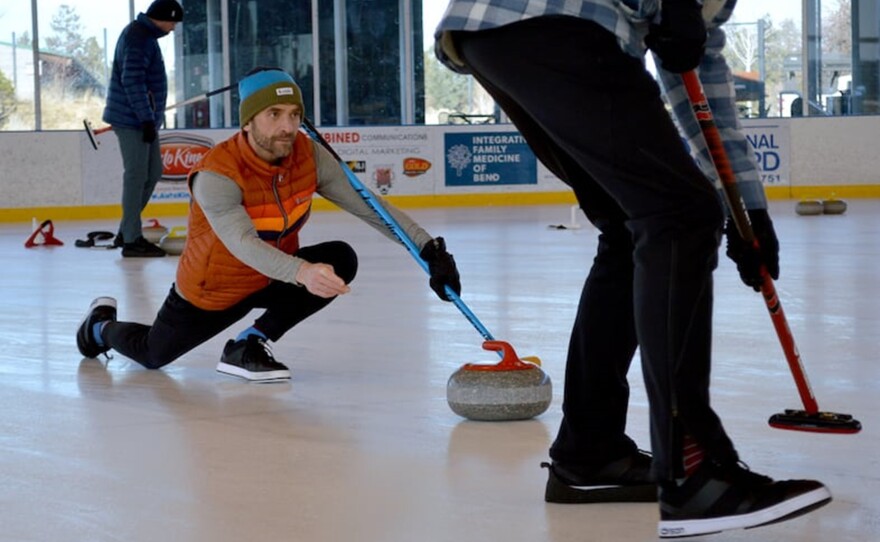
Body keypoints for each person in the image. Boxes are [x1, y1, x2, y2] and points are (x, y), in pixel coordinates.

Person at [435, 0, 829, 538]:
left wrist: (748, 208)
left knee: (630, 228)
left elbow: (697, 75)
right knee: (678, 217)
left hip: (508, 32)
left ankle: (590, 454)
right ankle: (692, 475)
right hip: (550, 20)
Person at [77, 67, 461, 382]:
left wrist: (430, 251)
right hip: (214, 289)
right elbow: (241, 243)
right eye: (274, 115)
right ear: (249, 121)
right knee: (152, 355)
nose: (287, 126)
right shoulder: (217, 173)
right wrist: (302, 271)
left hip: (273, 275)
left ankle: (250, 343)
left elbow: (367, 205)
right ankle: (98, 327)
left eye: (294, 114)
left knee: (340, 257)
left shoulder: (307, 154)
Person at [102, 0, 184, 258]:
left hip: (143, 118)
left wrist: (149, 119)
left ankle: (127, 230)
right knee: (137, 175)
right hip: (133, 119)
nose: (172, 28)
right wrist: (146, 119)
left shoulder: (145, 36)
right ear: (160, 18)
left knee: (153, 171)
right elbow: (132, 80)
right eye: (171, 22)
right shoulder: (138, 37)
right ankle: (131, 240)